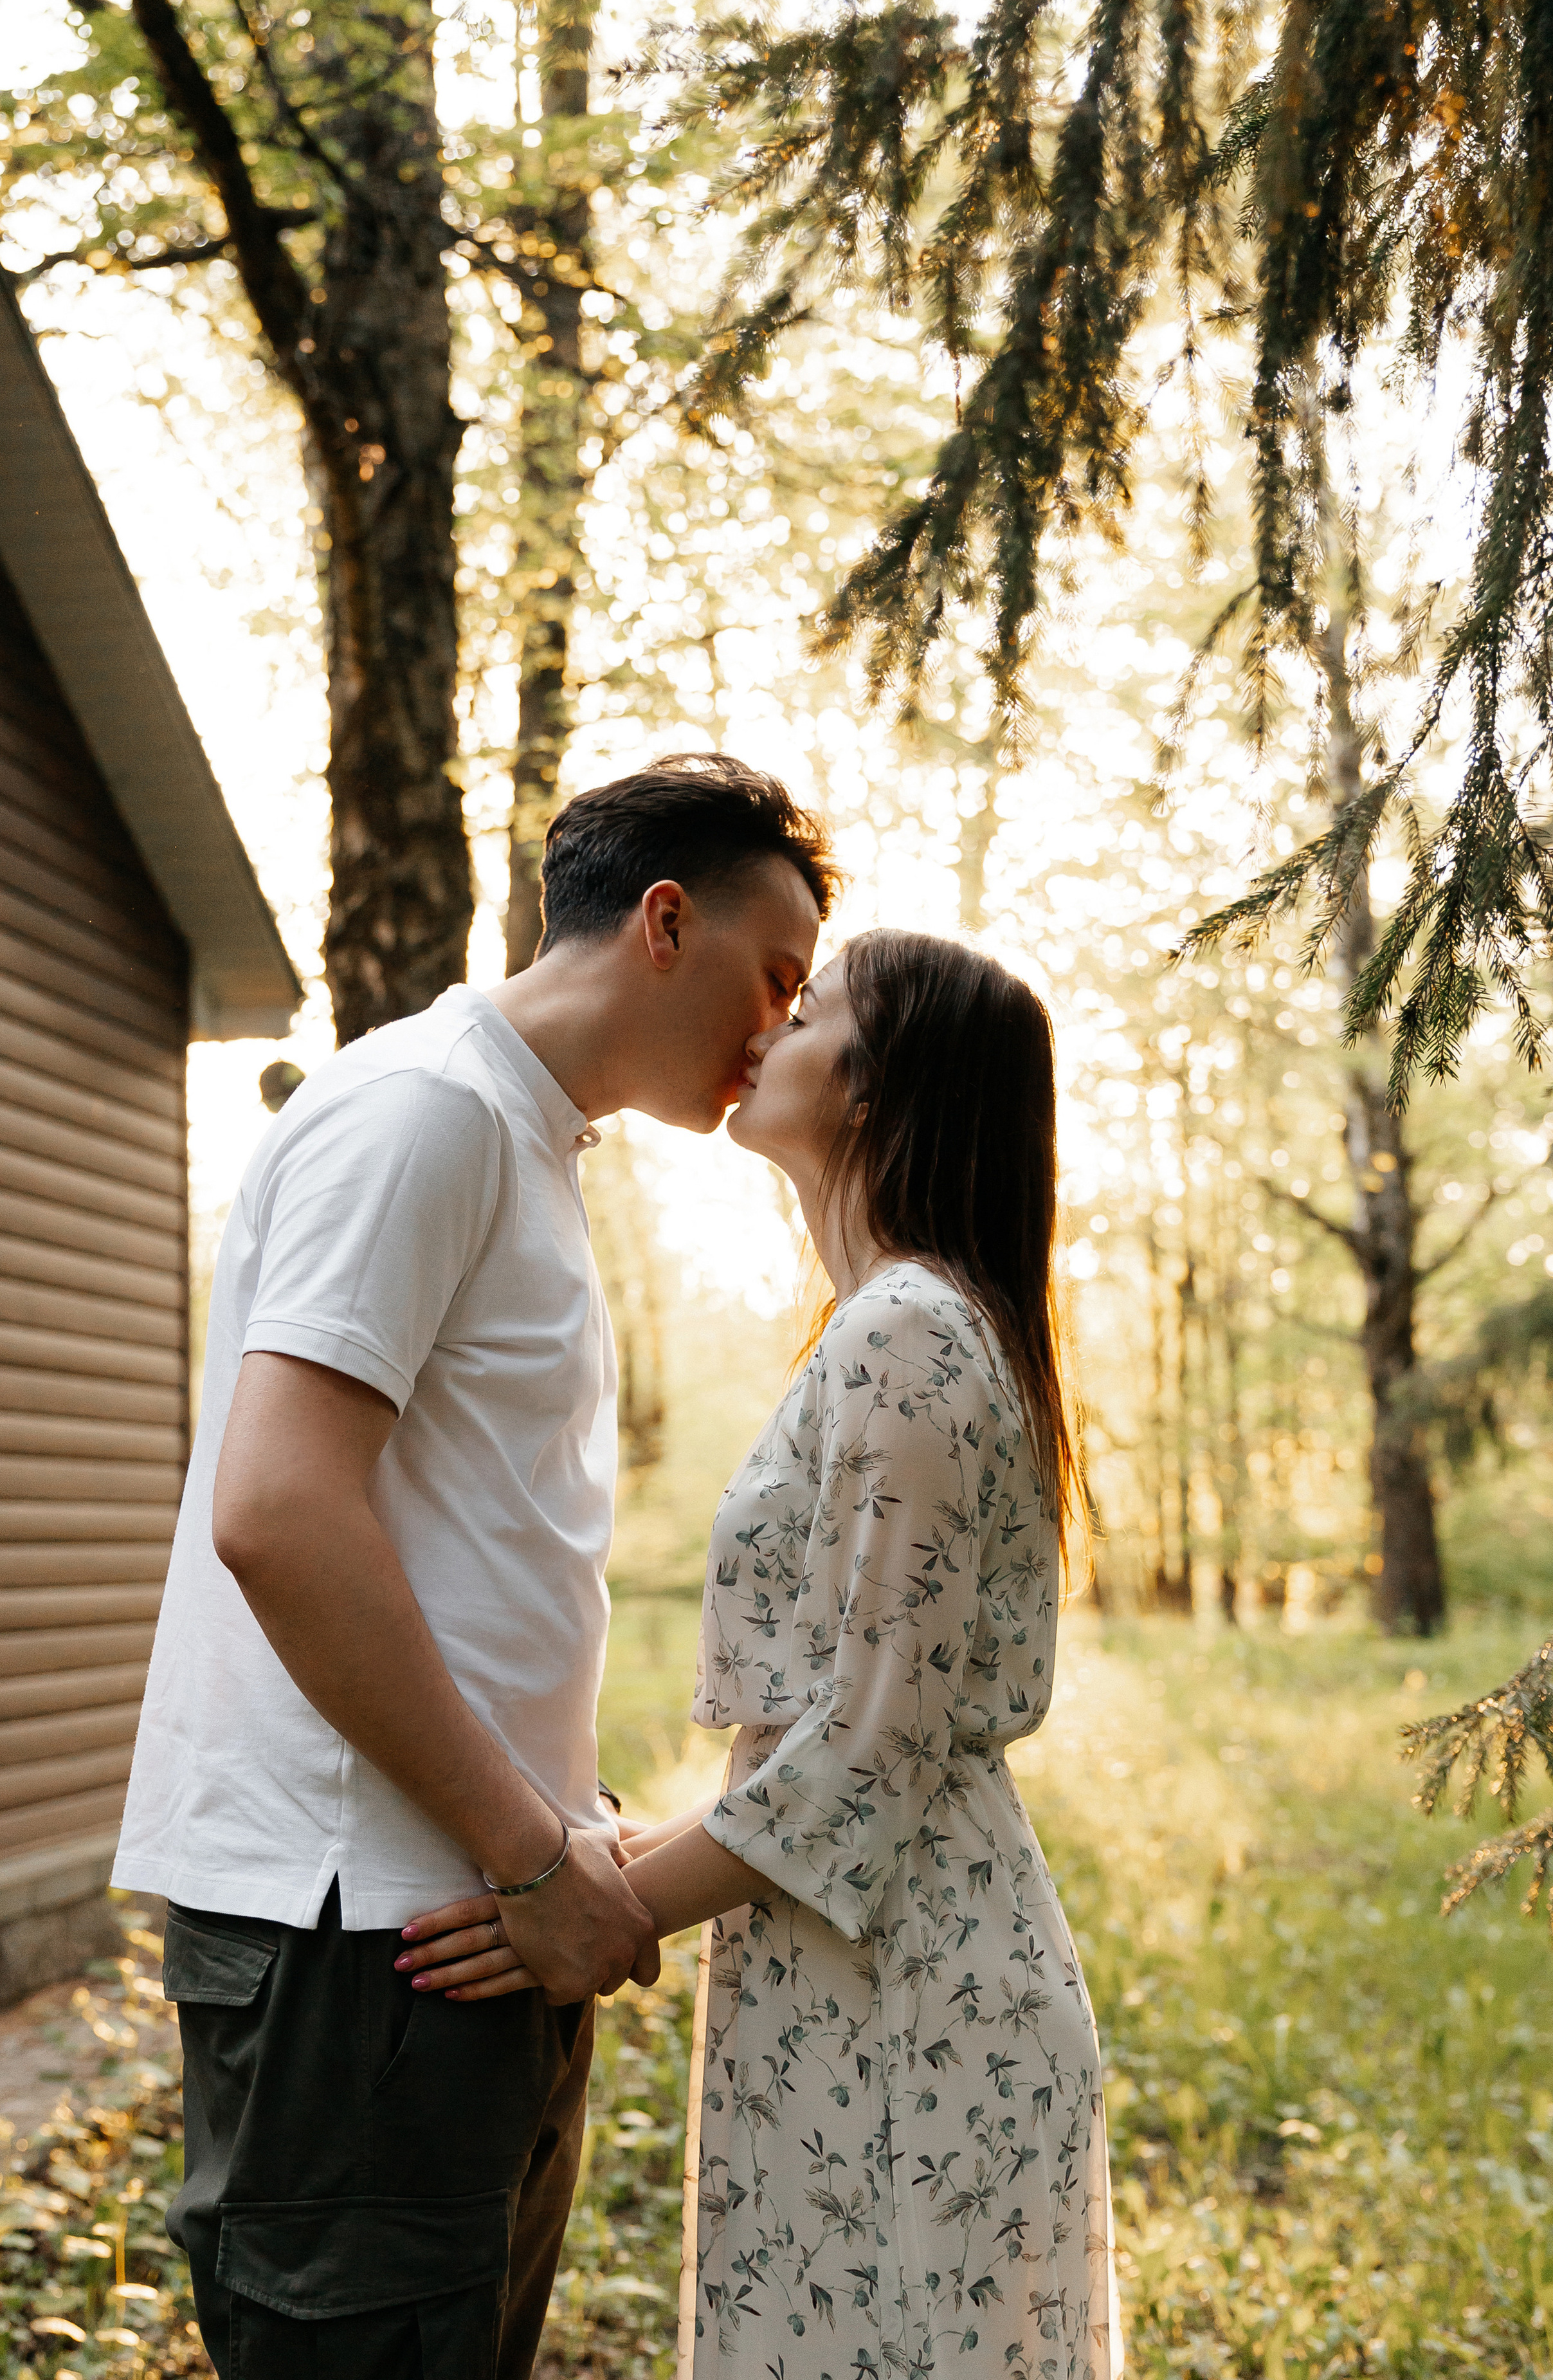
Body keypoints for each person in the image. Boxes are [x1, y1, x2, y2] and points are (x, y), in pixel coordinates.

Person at [111, 755, 838, 2380]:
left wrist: (556, 1861)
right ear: (664, 921)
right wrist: (531, 1859)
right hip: (359, 1938)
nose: (781, 1028)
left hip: (466, 1915)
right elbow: (279, 1513)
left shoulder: (518, 1138)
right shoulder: (423, 1113)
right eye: (773, 976)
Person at [408, 929, 1120, 2379]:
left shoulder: (906, 1336)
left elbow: (865, 1750)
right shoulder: (888, 1329)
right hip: (849, 1968)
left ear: (871, 1090)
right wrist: (621, 1847)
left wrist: (585, 1907)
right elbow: (852, 1727)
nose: (767, 1028)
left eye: (811, 1011)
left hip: (911, 1997)